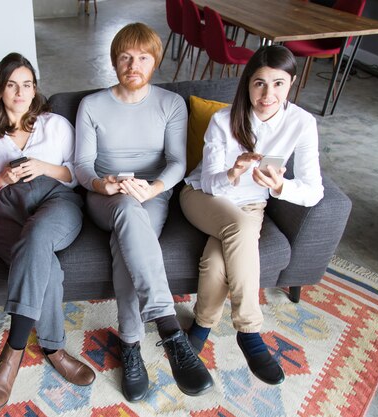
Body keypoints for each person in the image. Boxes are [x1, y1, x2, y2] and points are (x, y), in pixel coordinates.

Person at [74, 23, 213, 401]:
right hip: (106, 195)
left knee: (127, 244)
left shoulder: (170, 104)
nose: (133, 65)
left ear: (155, 63)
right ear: (114, 61)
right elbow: (82, 164)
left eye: (143, 58)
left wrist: (152, 189)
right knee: (123, 208)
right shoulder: (93, 105)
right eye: (125, 58)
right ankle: (170, 330)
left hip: (152, 194)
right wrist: (103, 184)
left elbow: (176, 162)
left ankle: (132, 345)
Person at [180, 45, 324, 385]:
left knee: (217, 261)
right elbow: (209, 182)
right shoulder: (223, 120)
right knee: (241, 227)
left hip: (251, 205)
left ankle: (199, 329)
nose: (267, 94)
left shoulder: (302, 123)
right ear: (247, 84)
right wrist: (233, 172)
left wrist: (280, 187)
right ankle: (249, 329)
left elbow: (313, 190)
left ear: (291, 84)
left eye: (278, 83)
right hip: (204, 195)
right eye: (259, 83)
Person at [0, 52, 95, 411]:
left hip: (56, 200)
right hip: (6, 209)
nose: (20, 92)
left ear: (35, 88)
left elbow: (77, 174)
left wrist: (44, 167)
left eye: (26, 84)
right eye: (11, 85)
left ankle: (13, 352)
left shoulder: (55, 125)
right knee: (46, 266)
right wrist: (2, 178)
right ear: (0, 90)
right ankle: (54, 349)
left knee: (38, 237)